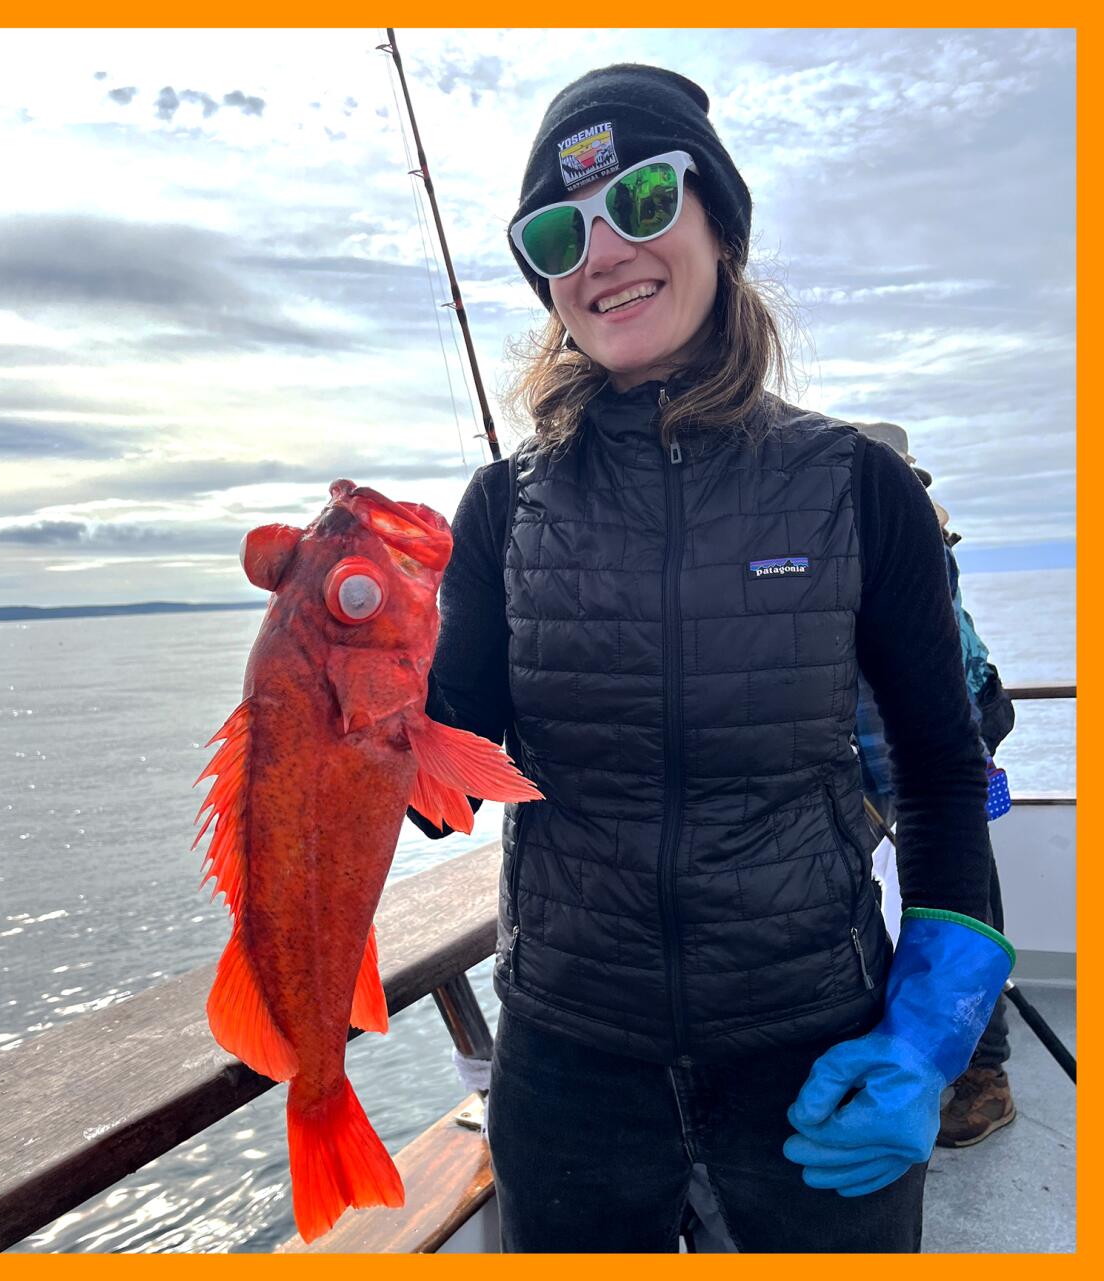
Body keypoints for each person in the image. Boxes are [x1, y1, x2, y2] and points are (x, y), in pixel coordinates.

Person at [408, 64, 1013, 1254]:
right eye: (557, 233)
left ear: (719, 222)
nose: (600, 253)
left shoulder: (858, 485)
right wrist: (338, 692)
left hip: (812, 1036)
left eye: (642, 201)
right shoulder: (499, 507)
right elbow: (444, 789)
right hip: (569, 1064)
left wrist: (927, 1038)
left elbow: (942, 774)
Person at [849, 431, 1018, 1147]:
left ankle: (986, 1070)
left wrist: (964, 763)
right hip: (872, 750)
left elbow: (933, 681)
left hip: (943, 737)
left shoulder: (906, 538)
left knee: (959, 896)